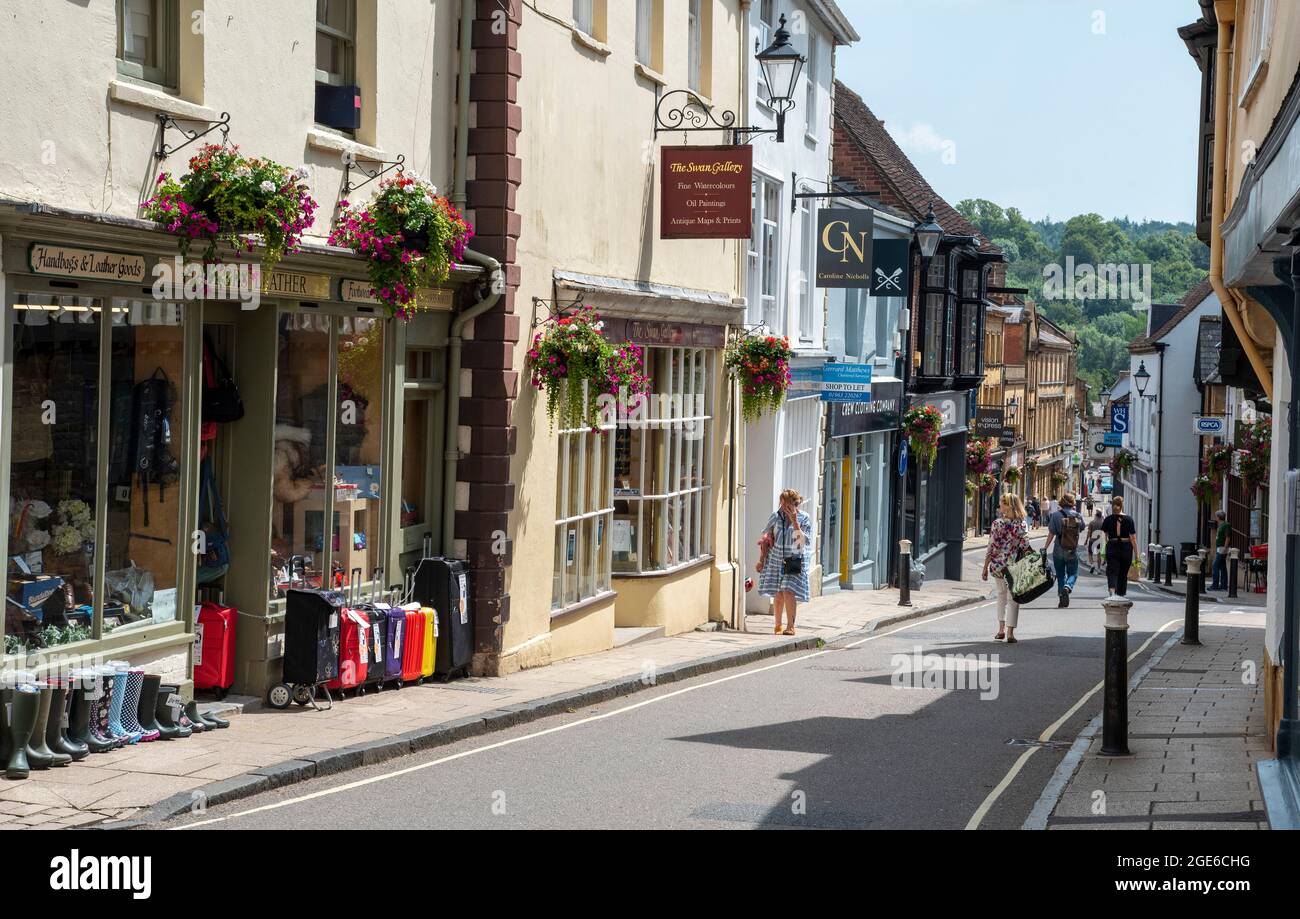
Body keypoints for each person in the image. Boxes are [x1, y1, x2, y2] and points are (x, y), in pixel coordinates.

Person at [756, 488, 813, 636]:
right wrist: (761, 560)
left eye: (785, 504)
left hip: (794, 558)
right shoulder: (776, 517)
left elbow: (803, 542)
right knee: (779, 593)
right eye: (781, 503)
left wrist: (795, 522)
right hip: (776, 558)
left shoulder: (804, 518)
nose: (782, 506)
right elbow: (766, 539)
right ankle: (778, 625)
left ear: (794, 504)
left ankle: (791, 627)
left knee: (788, 591)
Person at [982, 493, 1032, 643]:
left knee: (1001, 595)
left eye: (1002, 503)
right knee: (1013, 598)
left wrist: (985, 566)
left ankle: (1001, 630)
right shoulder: (1022, 524)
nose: (1000, 506)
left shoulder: (997, 523)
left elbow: (991, 546)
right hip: (1015, 565)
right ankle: (1010, 633)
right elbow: (1025, 545)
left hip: (998, 565)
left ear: (1009, 506)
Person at [1044, 492, 1083, 607]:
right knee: (1073, 573)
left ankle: (1062, 597)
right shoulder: (1078, 515)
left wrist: (1045, 548)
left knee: (1060, 574)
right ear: (1072, 503)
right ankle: (1068, 586)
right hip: (1072, 548)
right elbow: (1081, 528)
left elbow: (1051, 533)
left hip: (1058, 548)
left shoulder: (1055, 515)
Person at [1102, 495, 1139, 596]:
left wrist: (1103, 551)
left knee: (1112, 571)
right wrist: (1137, 555)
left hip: (1112, 546)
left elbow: (1104, 537)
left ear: (1113, 505)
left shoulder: (1108, 519)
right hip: (1126, 548)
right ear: (1122, 505)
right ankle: (1121, 595)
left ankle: (1112, 591)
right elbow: (1133, 539)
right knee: (1123, 573)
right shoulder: (1129, 519)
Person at [1211, 510, 1231, 591]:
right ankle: (1223, 586)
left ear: (1219, 517)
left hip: (1222, 548)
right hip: (1219, 548)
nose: (1216, 518)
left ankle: (1215, 585)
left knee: (1215, 565)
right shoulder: (1221, 525)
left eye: (1216, 516)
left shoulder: (1226, 525)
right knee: (1222, 566)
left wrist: (1225, 548)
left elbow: (1228, 537)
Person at [1085, 508, 1105, 574]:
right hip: (1100, 540)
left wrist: (1086, 540)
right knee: (1099, 554)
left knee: (1090, 553)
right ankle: (1099, 569)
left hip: (1092, 540)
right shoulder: (1103, 523)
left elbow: (1089, 532)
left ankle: (1092, 565)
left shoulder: (1092, 522)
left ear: (1096, 516)